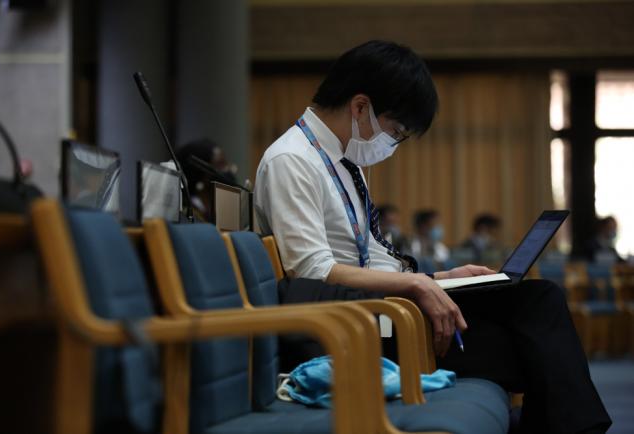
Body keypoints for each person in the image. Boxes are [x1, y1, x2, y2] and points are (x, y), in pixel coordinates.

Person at [254, 40, 610, 434]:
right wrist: (414, 282)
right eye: (396, 132)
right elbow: (311, 269)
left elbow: (367, 253)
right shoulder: (293, 161)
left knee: (540, 304)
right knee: (535, 350)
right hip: (361, 324)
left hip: (385, 310)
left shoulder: (340, 163)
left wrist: (440, 279)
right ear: (360, 107)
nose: (392, 143)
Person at [176, 138, 238, 221]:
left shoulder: (217, 209)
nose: (229, 169)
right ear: (200, 173)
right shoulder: (188, 215)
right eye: (221, 164)